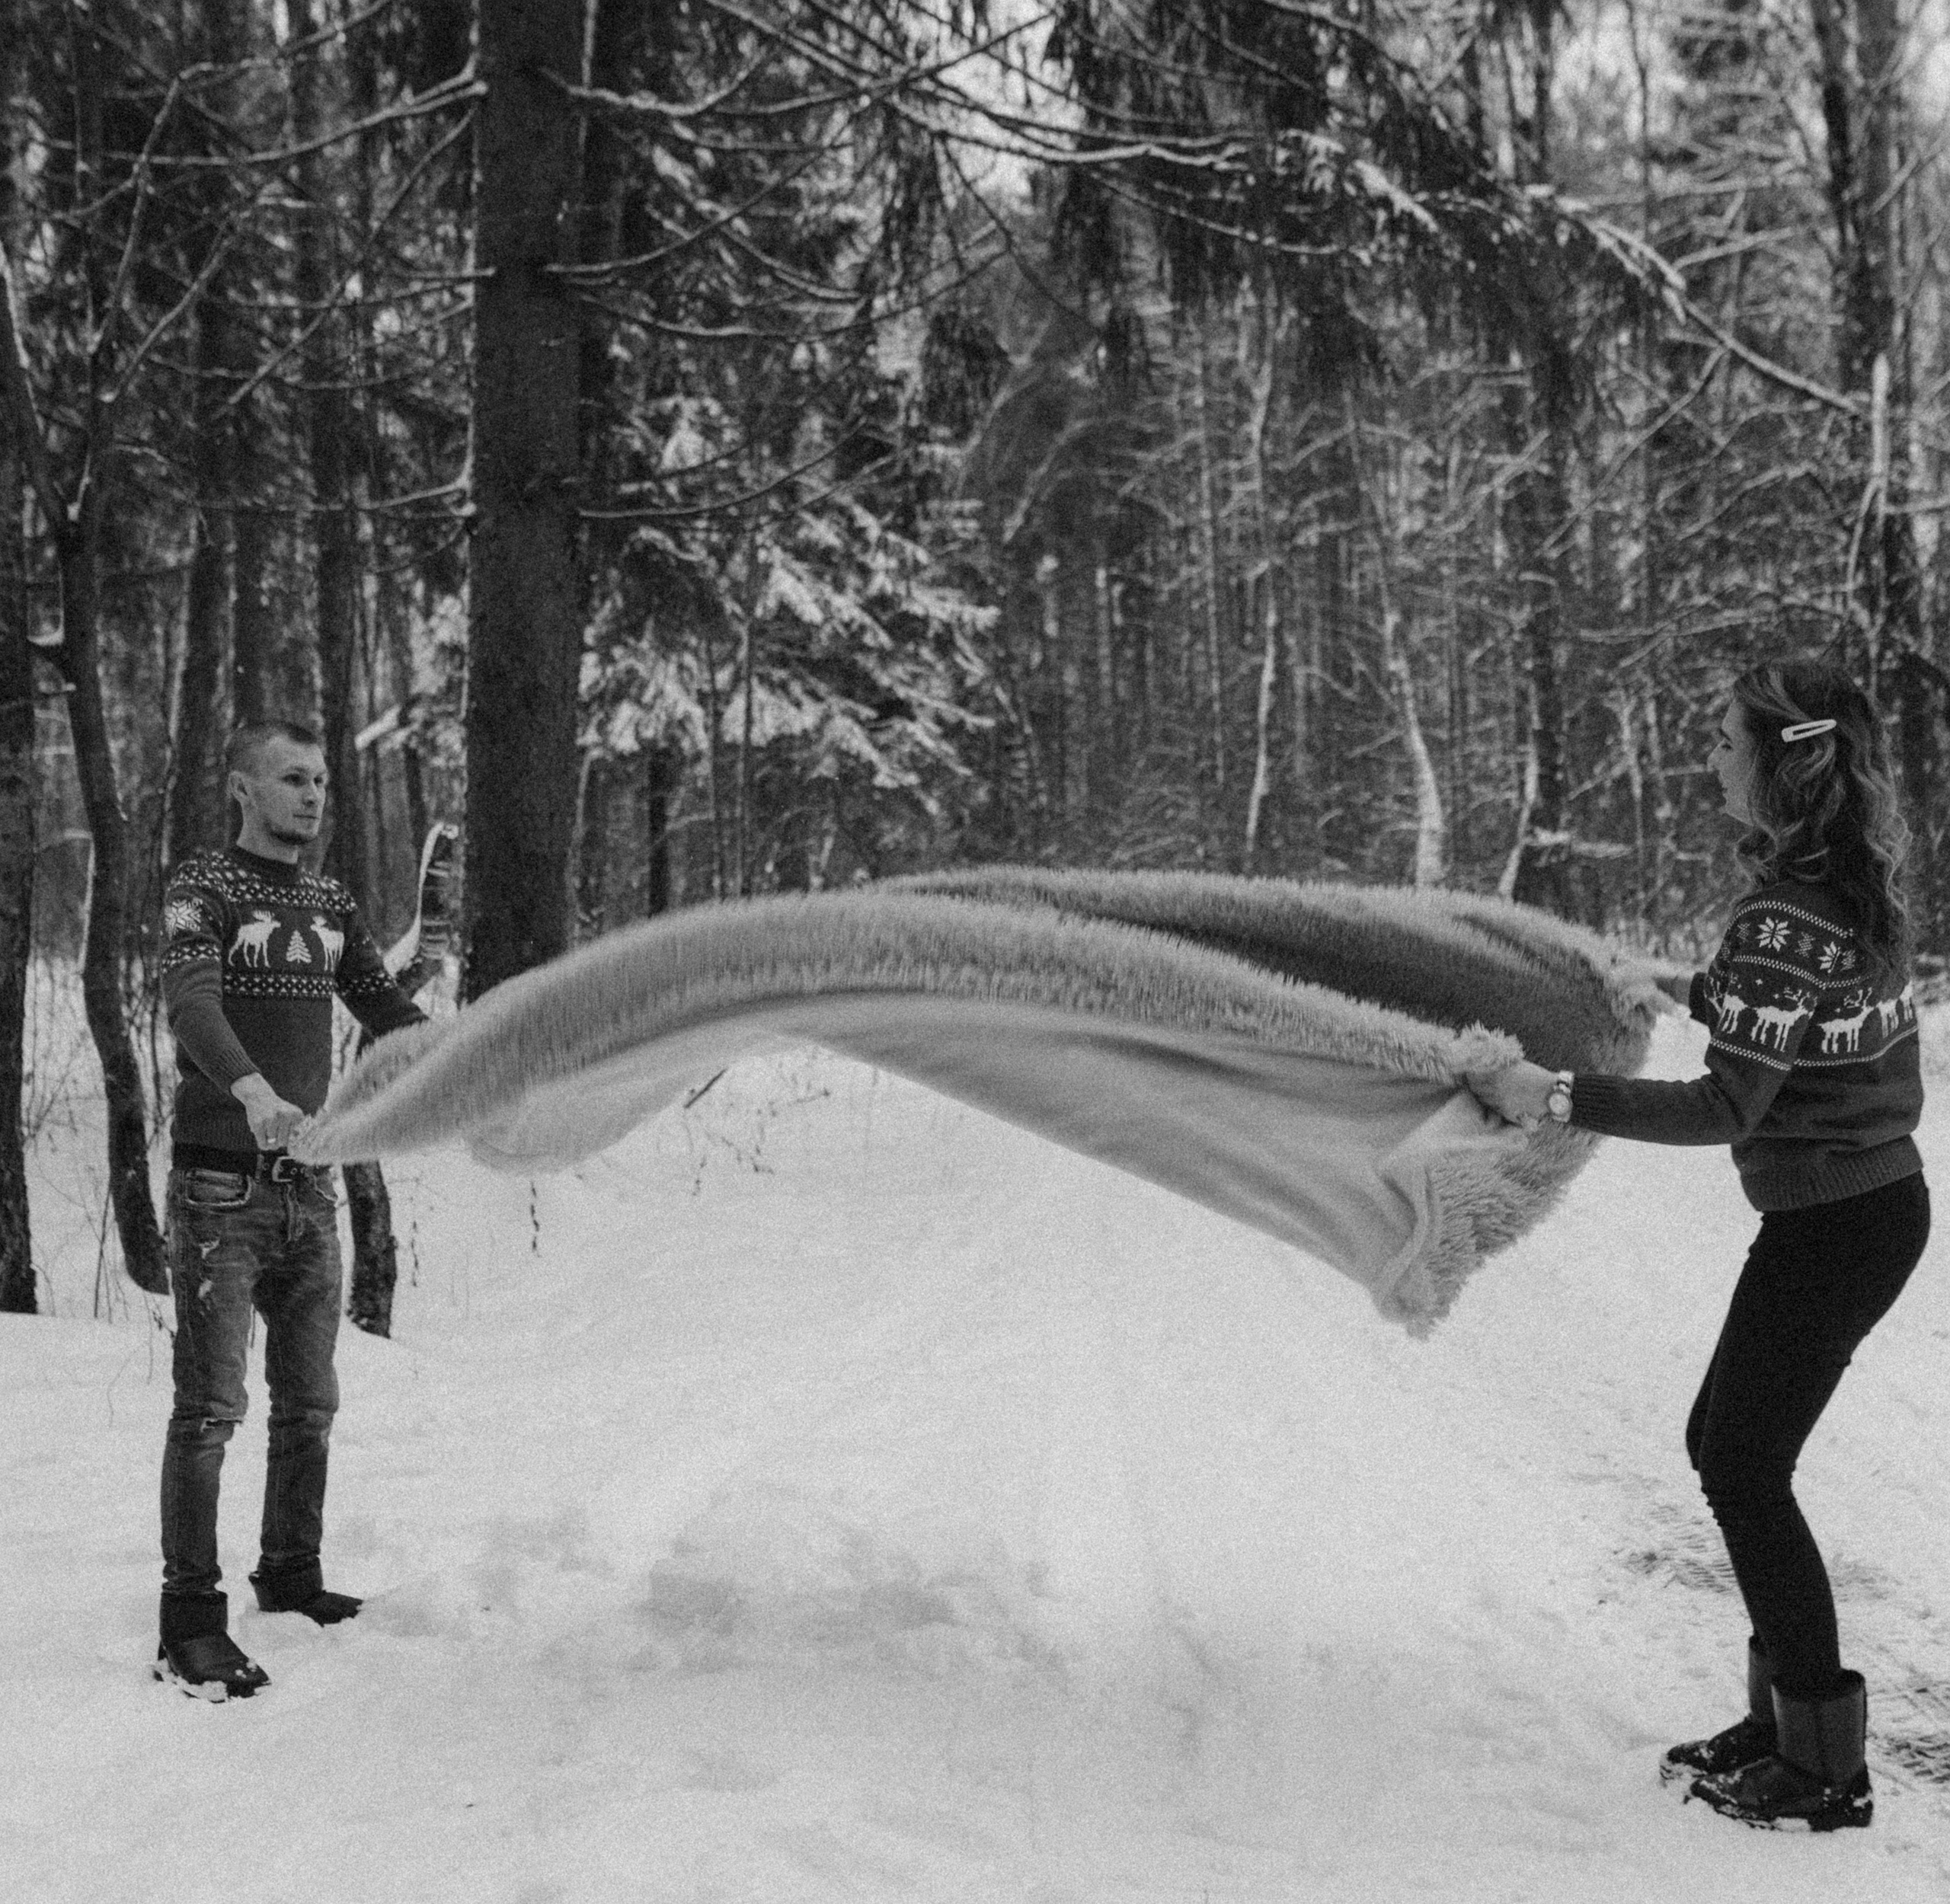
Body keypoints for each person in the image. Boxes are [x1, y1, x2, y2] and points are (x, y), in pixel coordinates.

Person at [1467, 654, 1929, 1832]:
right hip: (1863, 1211)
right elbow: (1794, 1016)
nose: (1710, 757)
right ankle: (1784, 1727)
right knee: (1722, 1446)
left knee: (1742, 1468)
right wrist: (1679, 985)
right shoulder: (1839, 888)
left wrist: (1554, 1096)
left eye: (1726, 739)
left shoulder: (1787, 914)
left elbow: (1728, 1106)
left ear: (1785, 761)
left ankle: (1825, 1766)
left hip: (1838, 1224)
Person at [153, 720, 428, 1701]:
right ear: (243, 788)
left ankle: (291, 1577)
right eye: (291, 779)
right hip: (220, 1188)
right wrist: (250, 1087)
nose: (312, 796)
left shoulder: (327, 899)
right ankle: (187, 1622)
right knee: (211, 1411)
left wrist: (466, 1052)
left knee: (309, 1406)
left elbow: (380, 1003)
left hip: (308, 1186)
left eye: (320, 780)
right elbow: (190, 1002)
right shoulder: (203, 888)